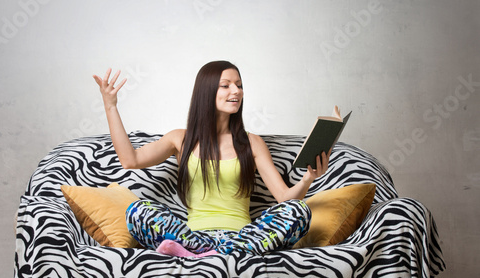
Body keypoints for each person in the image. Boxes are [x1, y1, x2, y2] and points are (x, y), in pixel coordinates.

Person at [93, 61, 337, 257]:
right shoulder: (180, 139)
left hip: (244, 236)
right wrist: (111, 106)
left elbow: (284, 198)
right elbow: (130, 160)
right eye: (226, 85)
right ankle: (211, 251)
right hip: (193, 235)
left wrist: (307, 179)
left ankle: (204, 254)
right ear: (207, 92)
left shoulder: (252, 142)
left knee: (298, 211)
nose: (236, 91)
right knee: (137, 211)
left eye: (239, 85)